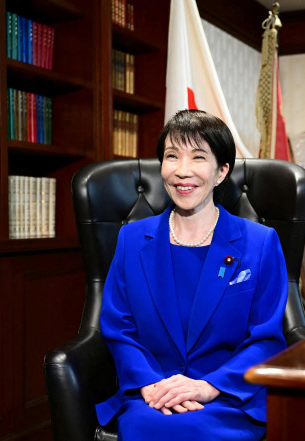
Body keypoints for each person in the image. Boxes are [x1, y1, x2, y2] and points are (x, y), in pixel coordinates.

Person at [96, 109, 288, 440]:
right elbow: (118, 327)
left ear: (221, 171)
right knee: (146, 427)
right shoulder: (132, 239)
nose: (182, 170)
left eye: (198, 157)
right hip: (154, 395)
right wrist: (150, 384)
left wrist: (209, 386)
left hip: (229, 395)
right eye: (172, 156)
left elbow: (267, 337)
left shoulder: (260, 242)